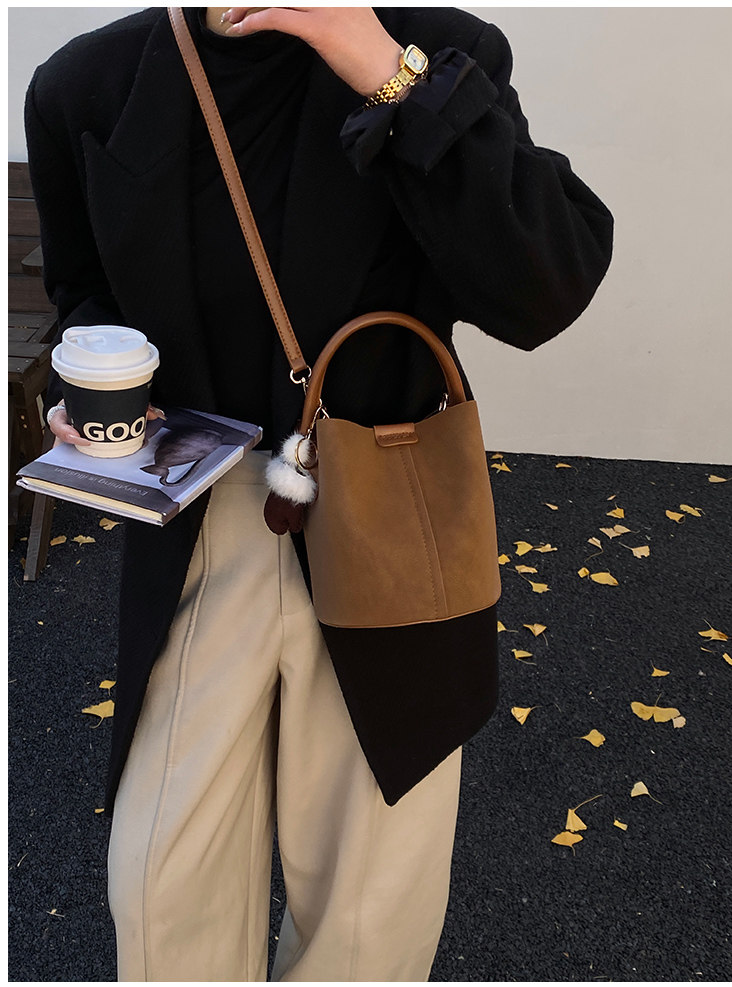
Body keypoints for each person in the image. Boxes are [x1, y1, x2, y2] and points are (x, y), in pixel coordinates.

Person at [25, 6, 614, 981]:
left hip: (388, 516)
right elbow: (86, 297)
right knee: (161, 892)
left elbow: (545, 285)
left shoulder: (430, 48)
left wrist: (389, 75)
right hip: (200, 521)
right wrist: (83, 390)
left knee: (366, 917)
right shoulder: (88, 84)